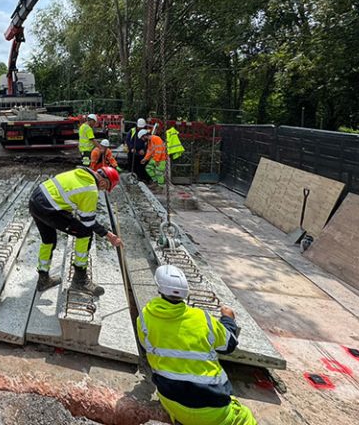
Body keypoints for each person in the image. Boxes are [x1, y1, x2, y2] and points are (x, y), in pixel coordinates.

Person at [137, 265, 257, 425]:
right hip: (214, 408)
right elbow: (229, 344)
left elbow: (148, 347)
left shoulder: (144, 319)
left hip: (171, 400)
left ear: (159, 288)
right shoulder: (202, 318)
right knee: (246, 418)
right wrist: (228, 319)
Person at [29, 166, 124, 296]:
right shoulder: (91, 190)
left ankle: (43, 279)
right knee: (85, 233)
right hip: (49, 209)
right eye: (104, 188)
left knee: (48, 240)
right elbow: (88, 221)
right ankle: (80, 280)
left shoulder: (79, 172)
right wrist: (108, 235)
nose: (102, 190)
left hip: (35, 201)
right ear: (102, 182)